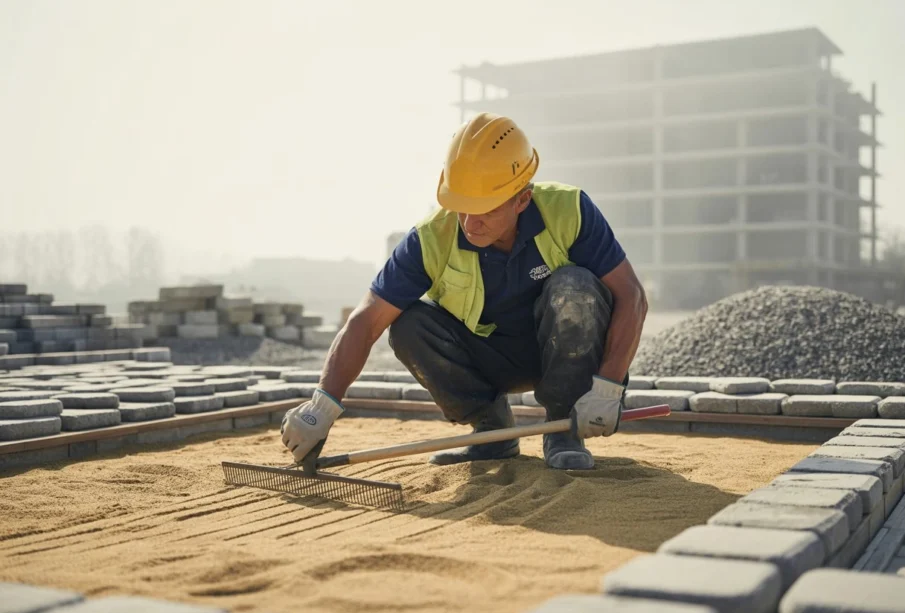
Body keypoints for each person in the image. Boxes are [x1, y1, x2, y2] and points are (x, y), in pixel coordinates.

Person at [282, 112, 648, 471]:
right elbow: (366, 321)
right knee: (407, 325)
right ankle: (492, 430)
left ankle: (564, 431)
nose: (470, 223)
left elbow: (632, 297)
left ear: (522, 199)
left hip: (562, 354)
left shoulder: (569, 211)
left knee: (575, 287)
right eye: (461, 207)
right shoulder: (431, 238)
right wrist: (321, 407)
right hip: (489, 359)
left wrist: (608, 387)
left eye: (484, 209)